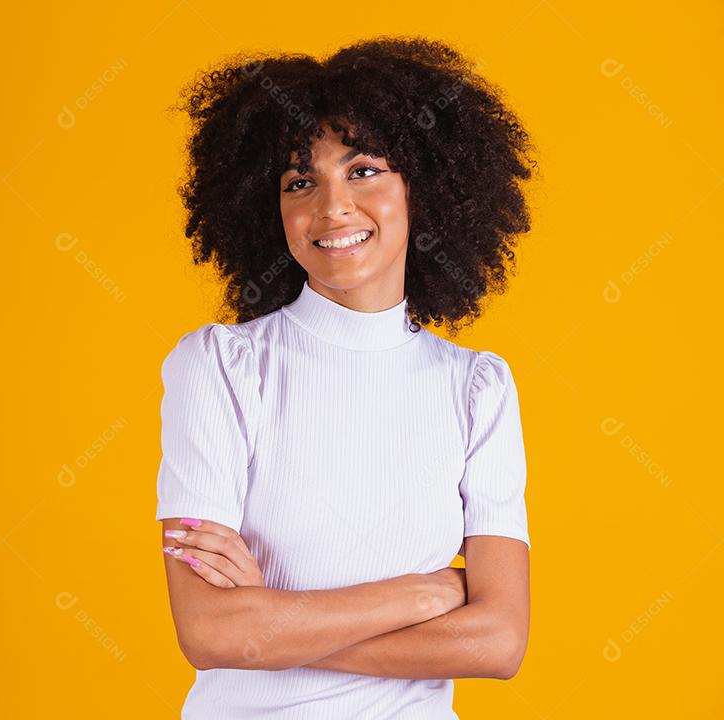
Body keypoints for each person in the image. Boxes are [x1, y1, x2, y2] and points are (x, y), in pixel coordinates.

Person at [155, 35, 537, 719]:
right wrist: (422, 596)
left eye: (362, 171)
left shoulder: (478, 387)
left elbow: (498, 643)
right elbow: (209, 632)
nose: (332, 206)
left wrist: (270, 627)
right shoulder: (218, 365)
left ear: (422, 185)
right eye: (301, 181)